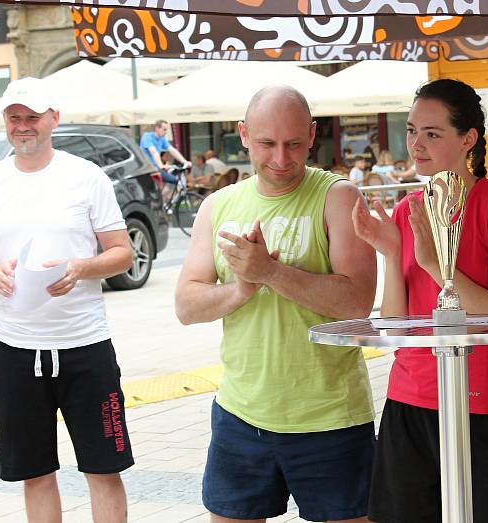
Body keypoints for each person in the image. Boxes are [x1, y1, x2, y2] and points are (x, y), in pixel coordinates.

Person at [175, 85, 377, 523]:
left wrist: (271, 273)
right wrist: (241, 289)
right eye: (267, 144)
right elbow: (187, 306)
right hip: (240, 413)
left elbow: (358, 303)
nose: (281, 159)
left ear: (312, 135)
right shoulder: (218, 205)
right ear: (243, 134)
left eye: (294, 144)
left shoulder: (338, 196)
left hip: (330, 415)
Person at [352, 78, 488, 523]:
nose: (416, 144)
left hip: (477, 405)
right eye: (412, 130)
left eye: (432, 134)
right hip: (408, 404)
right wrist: (391, 253)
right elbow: (397, 327)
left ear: (468, 139)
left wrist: (438, 266)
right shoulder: (407, 209)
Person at [0, 77, 135, 523]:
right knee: (35, 474)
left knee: (104, 469)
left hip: (85, 350)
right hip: (15, 352)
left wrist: (80, 268)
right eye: (14, 117)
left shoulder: (85, 176)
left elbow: (122, 252)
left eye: (32, 116)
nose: (23, 126)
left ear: (53, 118)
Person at [140, 119, 191, 196]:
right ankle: (158, 201)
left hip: (155, 168)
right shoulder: (147, 136)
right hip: (147, 169)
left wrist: (184, 161)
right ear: (157, 128)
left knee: (174, 180)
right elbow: (154, 152)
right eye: (164, 129)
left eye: (166, 130)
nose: (165, 132)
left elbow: (172, 150)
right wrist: (161, 165)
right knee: (158, 186)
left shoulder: (162, 139)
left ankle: (162, 201)